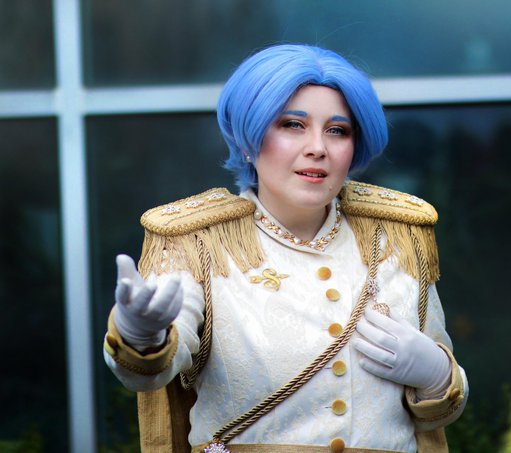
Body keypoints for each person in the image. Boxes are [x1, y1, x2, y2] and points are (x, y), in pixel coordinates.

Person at [103, 44, 468, 453]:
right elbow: (150, 372)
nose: (318, 148)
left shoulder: (397, 239)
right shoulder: (199, 243)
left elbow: (439, 410)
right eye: (293, 125)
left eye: (338, 130)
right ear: (248, 138)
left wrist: (438, 376)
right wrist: (139, 337)